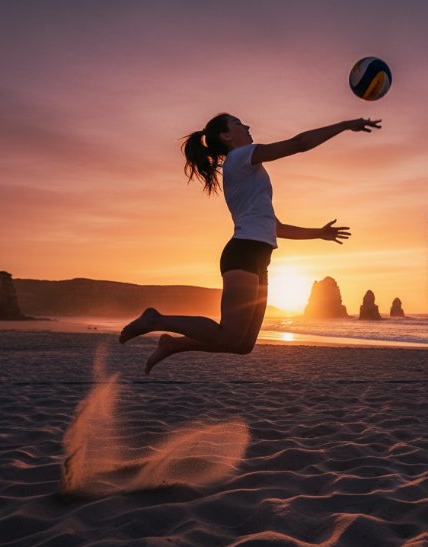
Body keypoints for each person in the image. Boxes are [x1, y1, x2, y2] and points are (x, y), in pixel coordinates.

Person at [119, 113, 381, 373]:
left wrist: (318, 233)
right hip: (243, 253)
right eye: (237, 123)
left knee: (242, 344)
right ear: (226, 135)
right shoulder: (241, 157)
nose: (246, 125)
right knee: (227, 333)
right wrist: (345, 125)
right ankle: (156, 319)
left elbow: (275, 227)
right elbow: (299, 143)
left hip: (258, 258)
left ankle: (173, 346)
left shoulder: (246, 167)